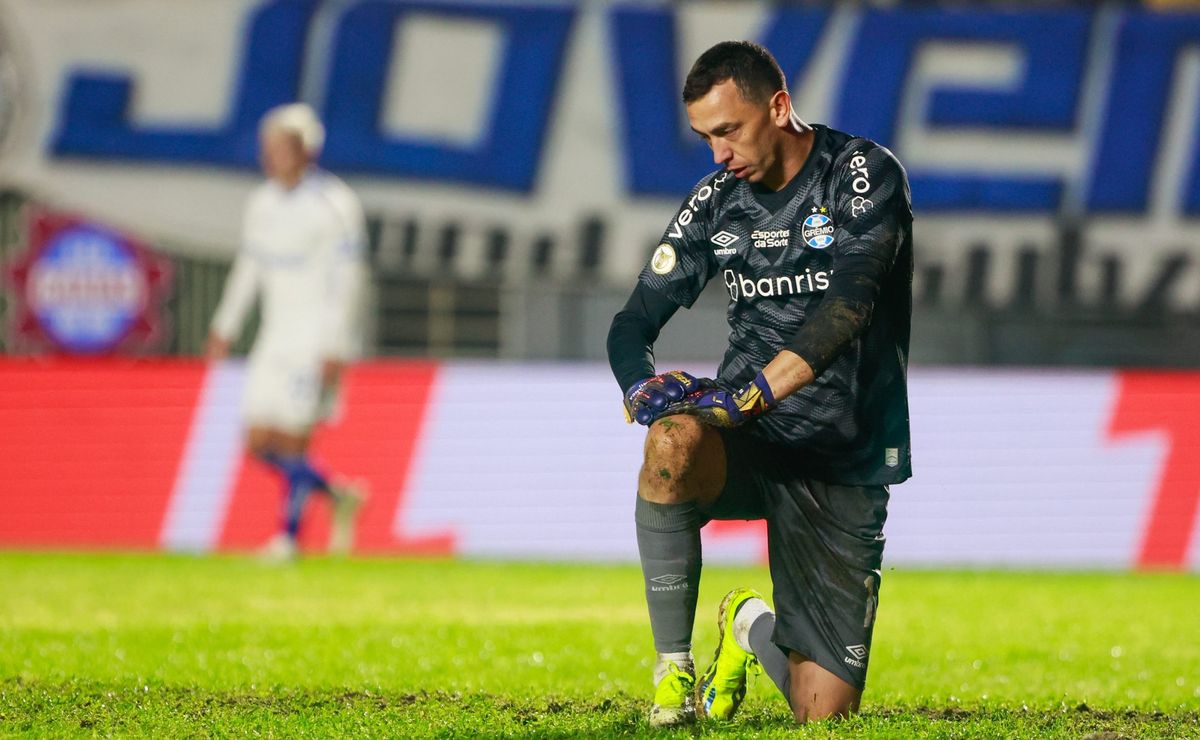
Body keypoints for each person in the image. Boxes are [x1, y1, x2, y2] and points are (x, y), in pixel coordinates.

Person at [607, 41, 913, 726]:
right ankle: (672, 674)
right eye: (705, 136)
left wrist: (749, 392)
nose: (718, 152)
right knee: (672, 440)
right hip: (752, 438)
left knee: (823, 717)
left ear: (778, 107)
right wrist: (638, 386)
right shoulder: (718, 200)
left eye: (728, 130)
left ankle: (747, 629)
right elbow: (631, 324)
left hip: (843, 454)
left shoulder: (861, 174)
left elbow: (849, 307)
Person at [206, 103, 367, 562]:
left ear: (306, 150)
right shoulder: (262, 203)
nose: (272, 155)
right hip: (275, 335)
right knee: (256, 441)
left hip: (315, 336)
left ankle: (288, 539)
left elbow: (348, 278)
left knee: (297, 438)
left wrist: (336, 343)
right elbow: (249, 266)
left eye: (282, 146)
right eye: (269, 146)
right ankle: (338, 495)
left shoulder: (335, 205)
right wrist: (225, 325)